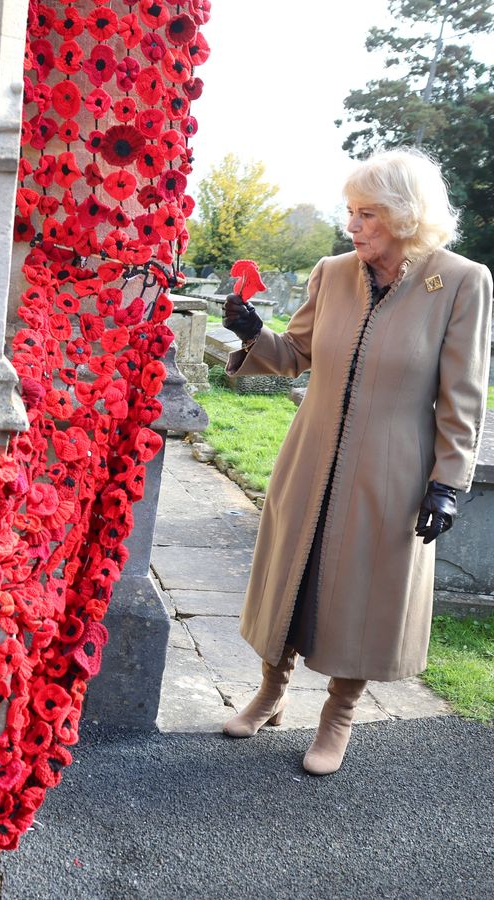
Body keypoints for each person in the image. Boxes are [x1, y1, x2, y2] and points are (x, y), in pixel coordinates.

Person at [218, 148, 492, 775]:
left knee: (364, 590)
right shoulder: (332, 272)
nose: (353, 225)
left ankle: (339, 714)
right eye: (351, 211)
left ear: (404, 216)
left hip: (393, 468)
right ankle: (271, 691)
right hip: (310, 453)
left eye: (367, 213)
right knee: (291, 573)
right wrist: (250, 332)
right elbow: (292, 355)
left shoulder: (461, 281)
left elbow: (463, 397)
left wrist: (447, 484)